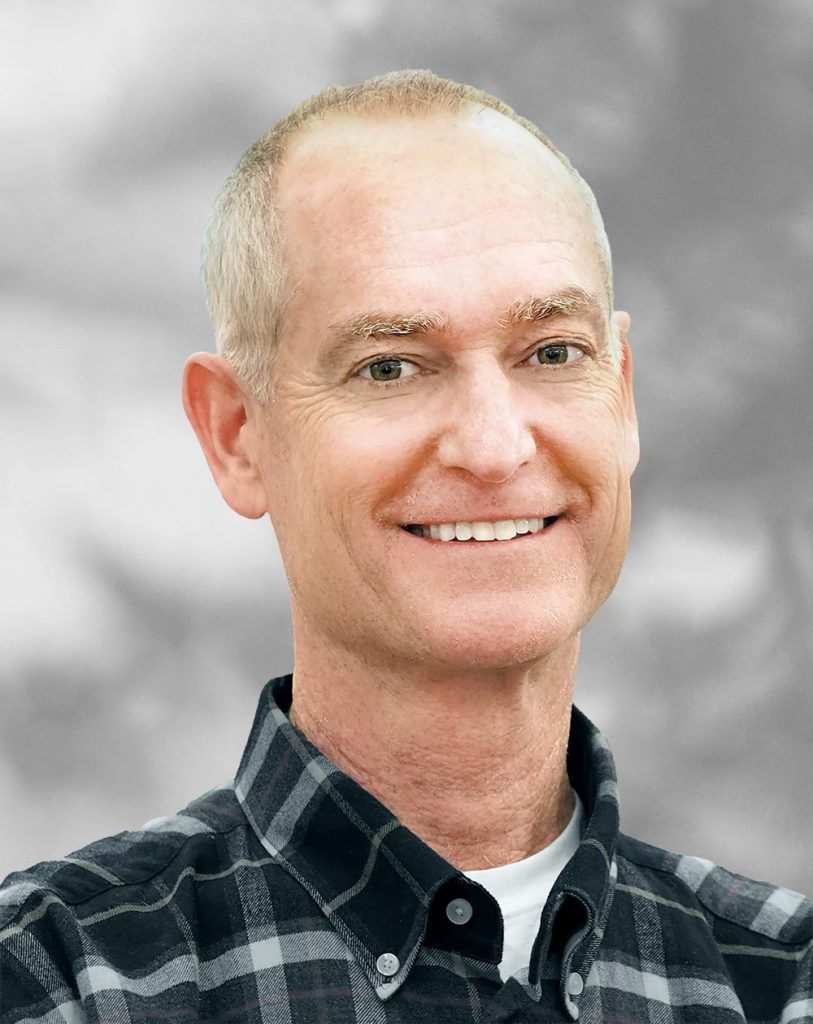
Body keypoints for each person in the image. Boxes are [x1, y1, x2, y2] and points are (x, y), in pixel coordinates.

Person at [0, 69, 810, 1024]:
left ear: (622, 393)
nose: (494, 446)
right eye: (389, 367)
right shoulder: (60, 982)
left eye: (552, 352)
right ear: (235, 434)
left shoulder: (781, 981)